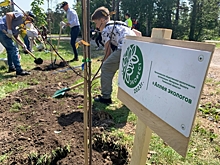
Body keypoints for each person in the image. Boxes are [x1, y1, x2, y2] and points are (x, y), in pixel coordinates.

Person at [91, 6, 136, 104]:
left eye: (96, 23)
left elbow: (108, 51)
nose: (96, 27)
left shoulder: (107, 29)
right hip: (135, 47)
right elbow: (137, 33)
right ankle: (132, 99)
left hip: (124, 47)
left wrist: (104, 64)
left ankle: (106, 97)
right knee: (128, 72)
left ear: (102, 20)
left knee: (107, 68)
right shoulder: (119, 24)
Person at [0, 11, 31, 76]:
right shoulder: (21, 15)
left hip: (4, 31)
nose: (29, 21)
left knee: (10, 50)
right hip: (2, 29)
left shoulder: (21, 24)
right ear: (27, 16)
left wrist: (22, 44)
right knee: (14, 49)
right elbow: (8, 14)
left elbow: (16, 36)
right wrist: (9, 29)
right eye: (30, 19)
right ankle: (19, 70)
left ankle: (11, 67)